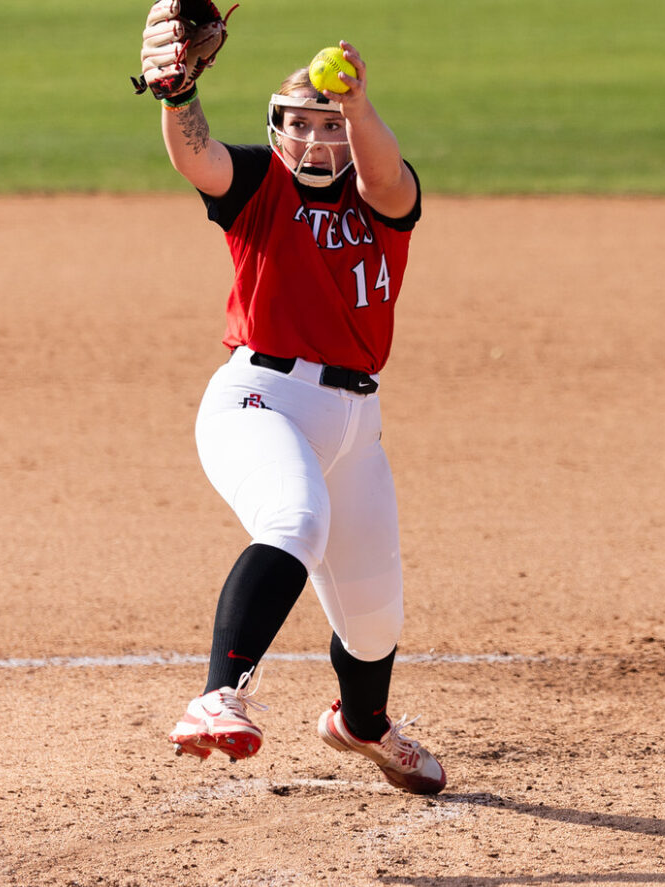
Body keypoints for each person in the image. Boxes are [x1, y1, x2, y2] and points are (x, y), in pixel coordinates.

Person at [137, 6, 445, 794]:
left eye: (330, 126)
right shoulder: (258, 186)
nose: (313, 142)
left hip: (355, 426)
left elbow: (385, 173)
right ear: (278, 130)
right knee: (294, 520)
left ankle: (363, 726)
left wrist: (360, 106)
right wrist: (177, 96)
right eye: (299, 126)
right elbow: (196, 159)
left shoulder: (386, 203)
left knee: (375, 621)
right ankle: (217, 697)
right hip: (260, 399)